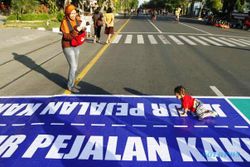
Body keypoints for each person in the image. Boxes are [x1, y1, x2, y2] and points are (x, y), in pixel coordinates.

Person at [60, 4, 85, 93]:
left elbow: (80, 29)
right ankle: (70, 86)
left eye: (74, 13)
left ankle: (73, 83)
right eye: (71, 13)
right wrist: (76, 30)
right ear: (67, 13)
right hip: (67, 46)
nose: (73, 15)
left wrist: (82, 29)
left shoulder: (76, 19)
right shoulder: (64, 22)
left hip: (76, 44)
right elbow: (67, 36)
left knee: (75, 66)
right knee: (73, 66)